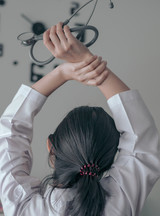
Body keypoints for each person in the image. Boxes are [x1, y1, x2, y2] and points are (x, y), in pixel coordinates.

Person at [0, 22, 160, 216]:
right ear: (109, 160)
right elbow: (142, 143)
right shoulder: (120, 203)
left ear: (51, 146)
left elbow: (10, 130)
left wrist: (63, 72)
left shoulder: (22, 206)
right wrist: (86, 60)